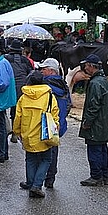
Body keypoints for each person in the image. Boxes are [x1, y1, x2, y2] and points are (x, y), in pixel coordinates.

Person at [13, 71, 58, 198]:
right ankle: (37, 185)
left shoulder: (23, 97)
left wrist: (17, 132)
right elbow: (55, 115)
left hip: (27, 133)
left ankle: (31, 182)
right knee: (46, 159)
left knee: (30, 159)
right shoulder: (49, 96)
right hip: (44, 134)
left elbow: (18, 117)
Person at [78, 54, 108, 187]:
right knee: (103, 150)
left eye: (86, 65)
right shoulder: (104, 81)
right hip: (104, 124)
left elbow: (93, 106)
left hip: (96, 125)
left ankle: (96, 176)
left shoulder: (94, 83)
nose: (85, 68)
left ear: (92, 66)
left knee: (94, 150)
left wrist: (87, 122)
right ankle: (105, 176)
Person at [38, 58, 71, 188]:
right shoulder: (64, 85)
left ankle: (37, 180)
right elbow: (69, 105)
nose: (41, 71)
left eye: (44, 69)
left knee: (42, 153)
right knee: (53, 150)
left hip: (45, 123)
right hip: (58, 124)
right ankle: (50, 179)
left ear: (51, 71)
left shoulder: (44, 87)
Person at [4, 39, 34, 143]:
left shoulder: (6, 59)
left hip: (9, 87)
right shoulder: (25, 60)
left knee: (7, 108)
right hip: (23, 87)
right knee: (21, 109)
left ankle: (10, 130)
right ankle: (19, 132)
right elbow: (31, 73)